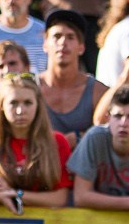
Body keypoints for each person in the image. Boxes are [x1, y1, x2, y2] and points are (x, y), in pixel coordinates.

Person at [0, 71, 72, 209]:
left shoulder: (57, 141)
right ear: (1, 106)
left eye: (28, 103)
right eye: (13, 103)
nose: (20, 111)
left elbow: (60, 198)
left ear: (38, 106)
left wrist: (16, 194)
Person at [67, 86, 129, 213]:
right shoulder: (94, 137)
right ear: (108, 118)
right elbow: (80, 197)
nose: (123, 123)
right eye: (118, 116)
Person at [38, 10, 103, 140]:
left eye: (70, 37)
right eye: (56, 36)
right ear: (45, 44)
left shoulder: (98, 91)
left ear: (81, 47)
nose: (63, 42)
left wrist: (78, 138)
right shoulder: (31, 87)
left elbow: (107, 133)